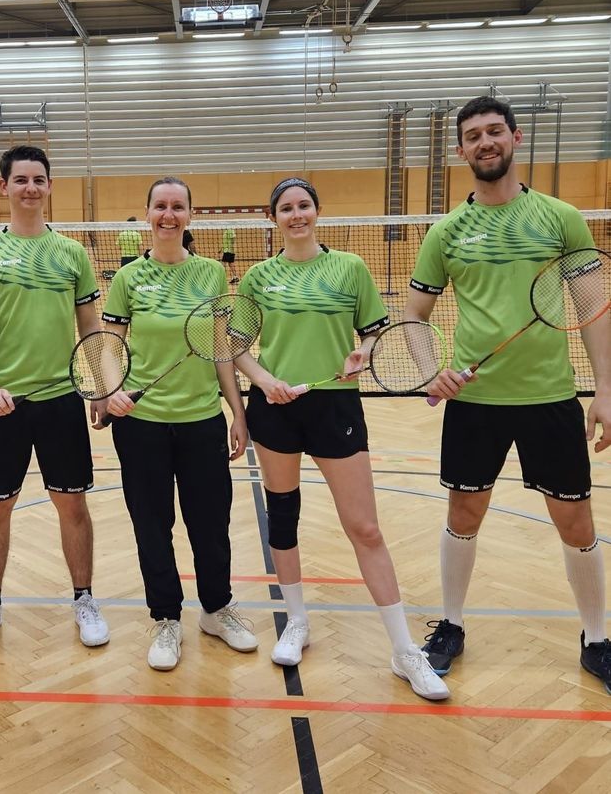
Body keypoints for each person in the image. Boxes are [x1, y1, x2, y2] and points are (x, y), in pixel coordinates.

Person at [404, 96, 611, 691]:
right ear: (461, 150)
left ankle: (597, 639)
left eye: (495, 131)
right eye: (473, 135)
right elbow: (414, 315)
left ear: (515, 138)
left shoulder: (561, 217)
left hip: (549, 397)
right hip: (475, 403)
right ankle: (451, 624)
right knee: (464, 512)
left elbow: (593, 306)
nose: (485, 142)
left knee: (575, 519)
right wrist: (428, 373)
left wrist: (604, 389)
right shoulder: (446, 232)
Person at [234, 177, 449, 701]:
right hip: (276, 410)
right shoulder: (258, 277)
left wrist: (364, 354)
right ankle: (297, 621)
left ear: (317, 211)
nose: (296, 215)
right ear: (274, 218)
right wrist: (264, 382)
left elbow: (374, 329)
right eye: (286, 209)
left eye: (304, 205)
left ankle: (405, 652)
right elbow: (235, 346)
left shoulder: (350, 268)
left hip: (335, 407)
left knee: (365, 528)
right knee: (282, 516)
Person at [100, 176, 258, 670]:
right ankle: (166, 618)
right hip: (141, 422)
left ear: (190, 215)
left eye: (178, 207)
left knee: (210, 524)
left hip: (200, 421)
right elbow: (108, 346)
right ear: (147, 213)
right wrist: (111, 391)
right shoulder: (127, 278)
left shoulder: (211, 274)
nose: (168, 215)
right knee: (153, 524)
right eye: (160, 206)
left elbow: (220, 349)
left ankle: (216, 609)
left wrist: (237, 410)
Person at [0, 145, 109, 653]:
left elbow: (91, 328)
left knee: (74, 507)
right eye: (20, 179)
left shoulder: (72, 254)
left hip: (61, 401)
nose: (29, 188)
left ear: (49, 186)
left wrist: (101, 387)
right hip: (3, 405)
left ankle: (84, 599)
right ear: (3, 187)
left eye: (38, 179)